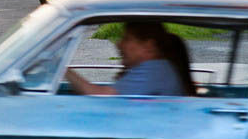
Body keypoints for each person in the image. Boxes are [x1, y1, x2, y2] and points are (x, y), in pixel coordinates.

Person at [65, 21, 196, 96]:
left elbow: (99, 95)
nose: (119, 44)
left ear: (148, 47)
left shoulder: (153, 70)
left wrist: (61, 67)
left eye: (127, 39)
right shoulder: (160, 69)